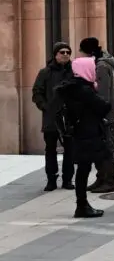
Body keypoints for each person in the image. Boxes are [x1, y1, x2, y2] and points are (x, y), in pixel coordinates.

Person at [58, 57, 113, 218]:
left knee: (83, 169)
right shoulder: (84, 90)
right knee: (84, 170)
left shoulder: (72, 87)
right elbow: (103, 107)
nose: (95, 72)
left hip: (79, 133)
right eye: (92, 68)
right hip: (87, 134)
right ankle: (82, 205)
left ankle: (82, 204)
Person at [32, 42, 74, 191]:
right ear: (55, 54)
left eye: (68, 52)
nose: (65, 54)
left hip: (69, 117)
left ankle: (68, 179)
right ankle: (51, 179)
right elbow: (37, 92)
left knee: (70, 149)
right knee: (50, 149)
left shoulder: (73, 71)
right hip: (51, 118)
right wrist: (46, 107)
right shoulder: (45, 72)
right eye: (62, 52)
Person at [79, 37, 114, 192]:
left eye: (81, 50)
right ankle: (101, 178)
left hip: (104, 115)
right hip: (102, 113)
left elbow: (103, 95)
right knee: (98, 148)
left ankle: (109, 181)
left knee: (105, 149)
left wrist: (100, 114)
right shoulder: (99, 64)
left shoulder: (101, 66)